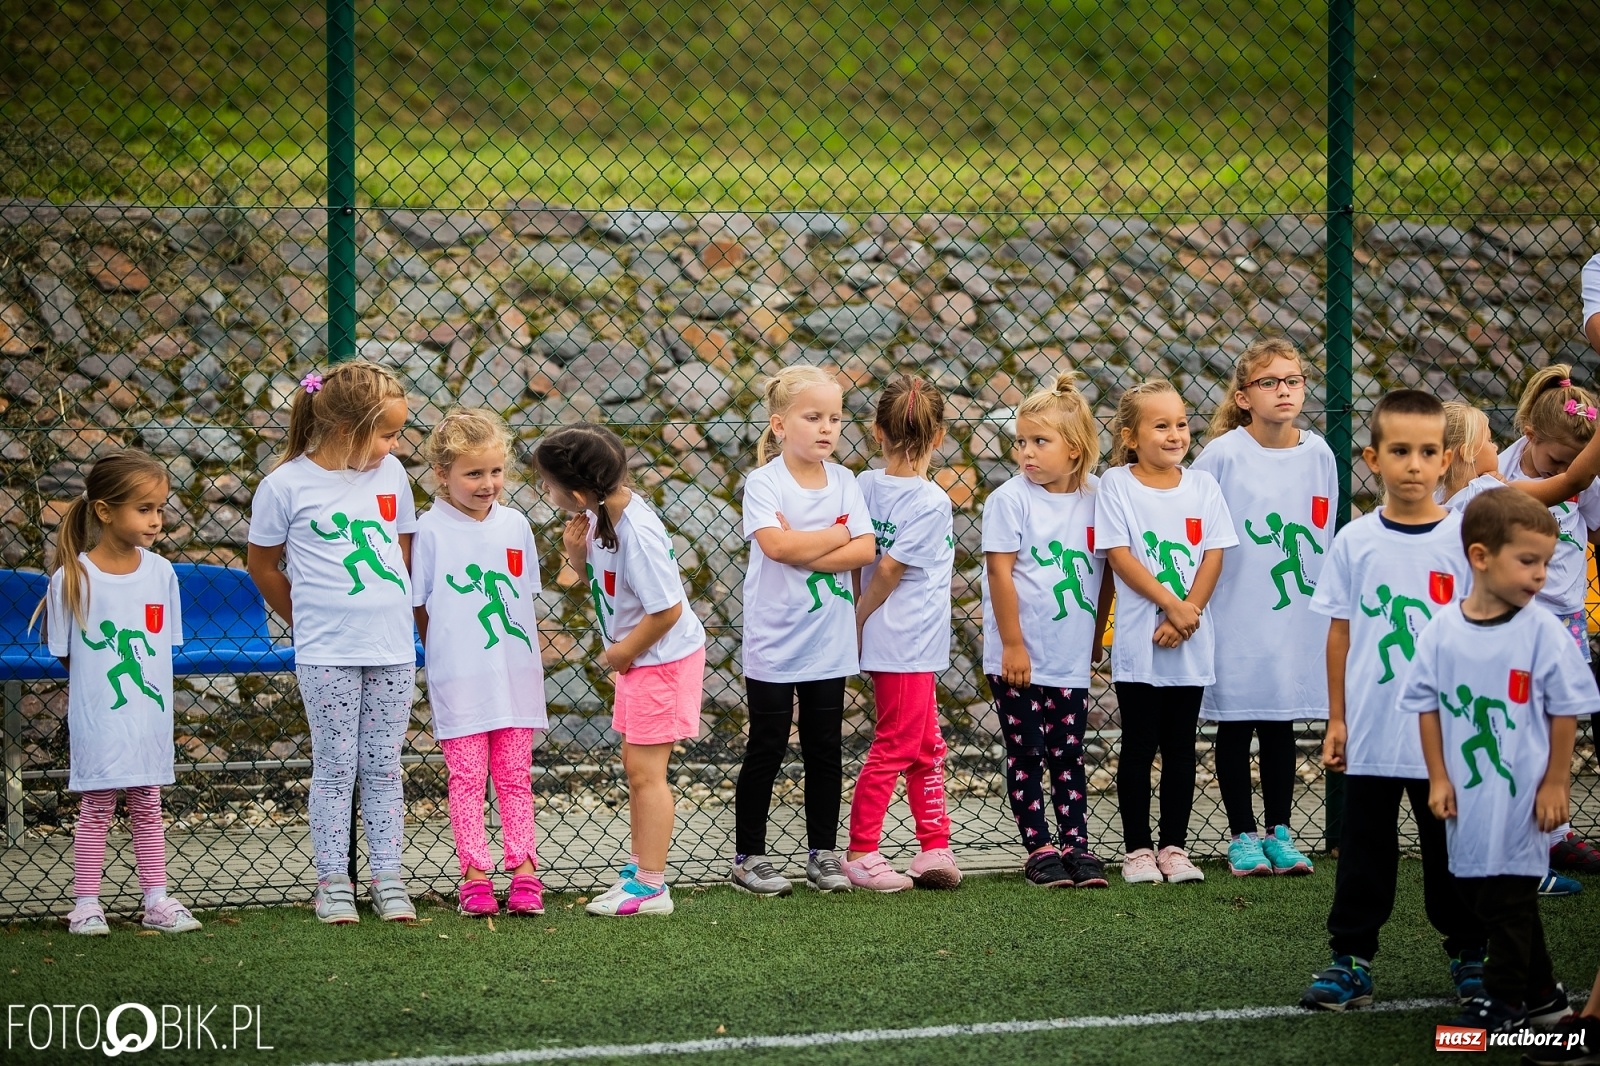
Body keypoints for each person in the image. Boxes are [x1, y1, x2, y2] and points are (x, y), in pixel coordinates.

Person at [1299, 389, 1487, 1011]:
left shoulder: (1466, 540)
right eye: (1400, 451)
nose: (1414, 464)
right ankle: (1351, 960)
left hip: (1446, 739)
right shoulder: (1355, 541)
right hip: (1374, 733)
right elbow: (1340, 634)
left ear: (1447, 459)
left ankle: (1471, 956)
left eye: (1428, 452)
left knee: (1452, 853)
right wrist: (1337, 719)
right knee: (1363, 853)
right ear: (1373, 459)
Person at [1402, 488, 1595, 1033]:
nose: (1541, 575)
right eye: (1528, 561)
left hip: (1522, 797)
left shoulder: (1543, 631)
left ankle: (1505, 1003)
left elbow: (1566, 710)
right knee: (1477, 893)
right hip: (1466, 796)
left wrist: (1556, 783)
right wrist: (1439, 777)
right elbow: (1426, 707)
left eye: (1546, 563)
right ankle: (1545, 999)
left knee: (1509, 897)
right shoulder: (1443, 629)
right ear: (1481, 557)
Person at [246, 361, 418, 924]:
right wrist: (307, 622)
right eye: (388, 434)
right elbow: (263, 566)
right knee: (337, 764)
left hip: (392, 649)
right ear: (348, 429)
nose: (396, 446)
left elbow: (402, 551)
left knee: (384, 764)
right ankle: (332, 882)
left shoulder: (392, 475)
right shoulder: (284, 486)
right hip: (326, 654)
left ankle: (388, 876)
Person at [536, 424, 706, 917]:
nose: (544, 490)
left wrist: (621, 653)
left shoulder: (638, 532)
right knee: (637, 770)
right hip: (643, 660)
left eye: (547, 483)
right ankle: (640, 871)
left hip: (660, 662)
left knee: (647, 775)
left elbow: (668, 610)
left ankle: (652, 886)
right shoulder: (600, 514)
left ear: (575, 492)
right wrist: (577, 555)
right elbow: (603, 581)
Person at [41, 450, 200, 936]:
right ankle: (86, 905)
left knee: (148, 804)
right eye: (144, 509)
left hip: (148, 721)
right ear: (105, 511)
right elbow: (69, 654)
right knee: (96, 808)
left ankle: (156, 899)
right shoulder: (71, 579)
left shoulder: (162, 573)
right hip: (101, 722)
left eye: (160, 508)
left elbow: (161, 646)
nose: (156, 520)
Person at [1192, 337, 1335, 878]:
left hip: (1293, 616)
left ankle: (1280, 832)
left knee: (1280, 723)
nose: (1284, 391)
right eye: (1269, 382)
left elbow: (1322, 530)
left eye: (1293, 380)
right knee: (1235, 723)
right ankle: (1242, 836)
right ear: (1244, 396)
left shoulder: (1319, 454)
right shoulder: (1222, 454)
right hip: (1235, 612)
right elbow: (1196, 525)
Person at [733, 366, 876, 896]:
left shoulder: (845, 481)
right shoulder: (764, 483)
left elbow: (865, 549)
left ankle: (823, 854)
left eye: (835, 418)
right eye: (813, 417)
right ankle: (749, 857)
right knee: (767, 746)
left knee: (824, 748)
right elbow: (776, 546)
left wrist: (809, 548)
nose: (826, 428)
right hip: (775, 640)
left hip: (828, 642)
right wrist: (836, 535)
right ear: (779, 425)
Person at [1098, 378, 1237, 885]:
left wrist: (1188, 612)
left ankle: (1174, 848)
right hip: (1141, 641)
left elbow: (1214, 554)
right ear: (1130, 437)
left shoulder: (1203, 486)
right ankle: (1137, 850)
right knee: (1139, 744)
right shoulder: (1116, 484)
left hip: (1190, 637)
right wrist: (1171, 606)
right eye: (1161, 426)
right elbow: (1120, 557)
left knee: (1180, 746)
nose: (1175, 434)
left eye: (1181, 423)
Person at [411, 409, 547, 918]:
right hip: (460, 679)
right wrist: (446, 654)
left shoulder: (516, 525)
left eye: (495, 471)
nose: (487, 483)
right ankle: (474, 875)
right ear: (442, 474)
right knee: (466, 779)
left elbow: (521, 598)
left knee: (515, 777)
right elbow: (422, 605)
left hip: (514, 678)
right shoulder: (427, 531)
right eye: (473, 473)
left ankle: (525, 871)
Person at [980, 373, 1114, 887]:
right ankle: (1039, 847)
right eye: (1021, 441)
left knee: (1068, 753)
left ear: (1075, 449)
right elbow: (1000, 574)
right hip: (1018, 658)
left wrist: (1096, 639)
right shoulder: (1010, 500)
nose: (1026, 453)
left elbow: (1106, 575)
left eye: (1040, 441)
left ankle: (1076, 845)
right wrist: (1013, 645)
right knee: (1027, 752)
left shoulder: (1099, 498)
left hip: (1069, 657)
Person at [843, 376, 961, 892]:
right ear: (939, 437)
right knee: (895, 744)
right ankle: (861, 851)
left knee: (926, 744)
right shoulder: (932, 501)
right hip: (907, 643)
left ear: (877, 432)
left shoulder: (862, 485)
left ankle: (934, 846)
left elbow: (859, 560)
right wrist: (859, 617)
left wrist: (857, 615)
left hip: (899, 643)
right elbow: (888, 569)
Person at [1494, 367, 1600, 881]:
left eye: (1573, 464)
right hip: (1518, 616)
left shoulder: (1587, 478)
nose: (1565, 470)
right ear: (1531, 434)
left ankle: (1554, 835)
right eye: (1557, 461)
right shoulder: (1501, 470)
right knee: (1518, 727)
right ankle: (1522, 838)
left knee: (1560, 726)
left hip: (1568, 618)